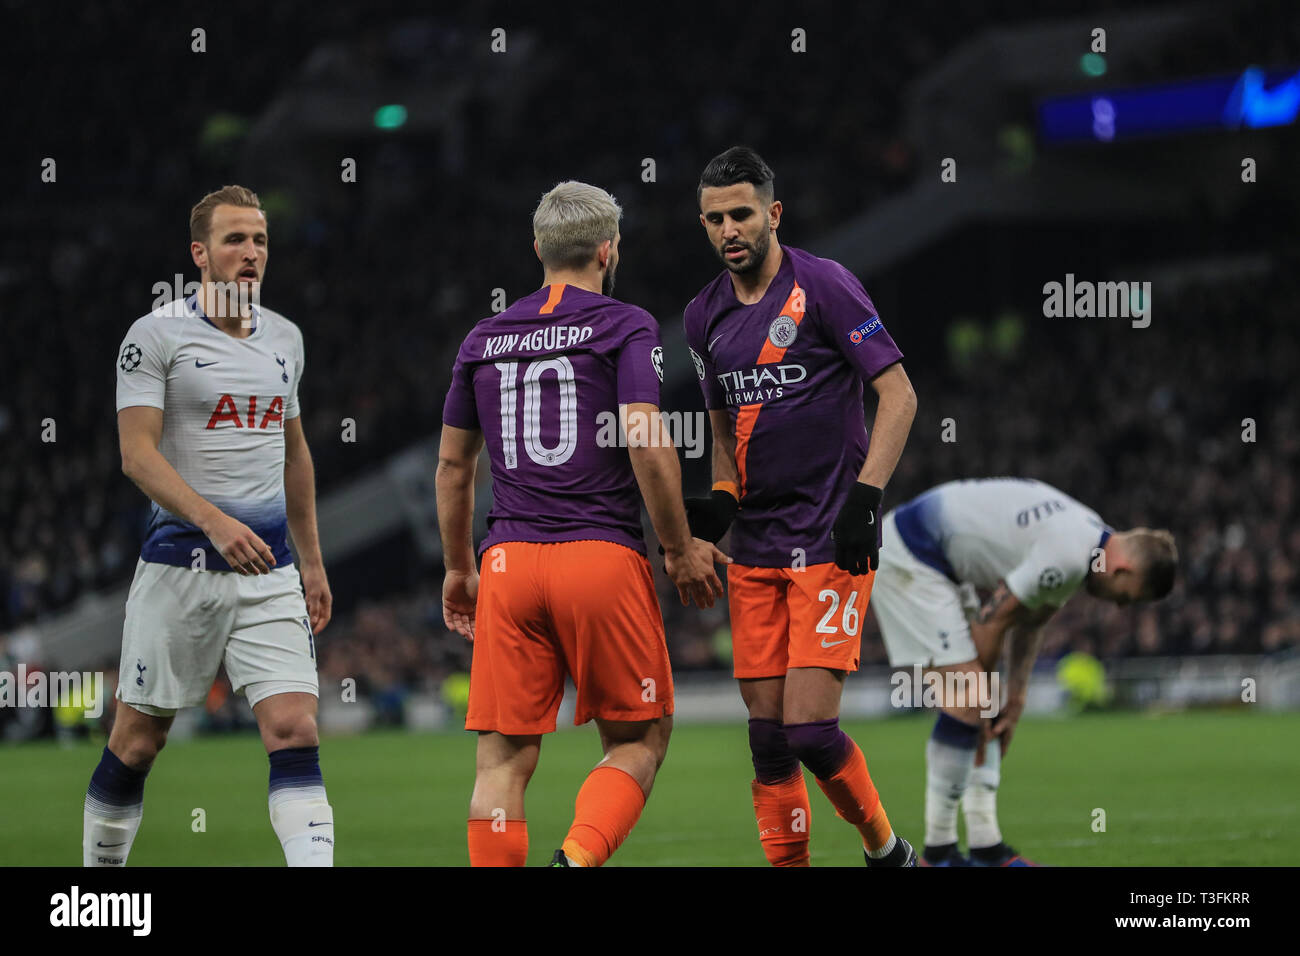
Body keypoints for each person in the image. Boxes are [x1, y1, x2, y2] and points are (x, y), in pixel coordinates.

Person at [438, 180, 728, 867]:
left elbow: (453, 469)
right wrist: (679, 547)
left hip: (508, 563)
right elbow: (645, 437)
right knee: (637, 742)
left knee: (500, 766)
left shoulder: (483, 338)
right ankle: (575, 861)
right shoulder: (625, 325)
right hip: (598, 557)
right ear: (608, 250)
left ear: (537, 247)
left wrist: (459, 568)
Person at [682, 147, 919, 866]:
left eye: (743, 214)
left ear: (773, 214)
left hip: (829, 537)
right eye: (716, 218)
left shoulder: (825, 286)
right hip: (754, 548)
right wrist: (722, 499)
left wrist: (867, 500)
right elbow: (722, 428)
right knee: (766, 738)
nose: (730, 229)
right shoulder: (703, 319)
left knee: (811, 732)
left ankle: (888, 851)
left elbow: (900, 395)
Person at [87, 185, 334, 867]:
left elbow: (296, 454)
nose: (251, 252)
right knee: (137, 743)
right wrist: (214, 522)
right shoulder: (154, 335)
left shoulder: (286, 338)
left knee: (294, 728)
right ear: (200, 253)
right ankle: (98, 888)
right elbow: (136, 453)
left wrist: (311, 561)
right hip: (178, 568)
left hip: (270, 571)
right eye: (234, 239)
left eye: (259, 240)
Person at [869, 477, 1178, 865]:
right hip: (910, 554)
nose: (1119, 607)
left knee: (987, 704)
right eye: (1128, 597)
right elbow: (992, 621)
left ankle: (985, 847)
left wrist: (1014, 699)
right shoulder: (1070, 553)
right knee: (971, 701)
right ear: (1123, 569)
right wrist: (982, 702)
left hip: (940, 562)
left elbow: (1029, 619)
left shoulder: (1086, 539)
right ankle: (939, 853)